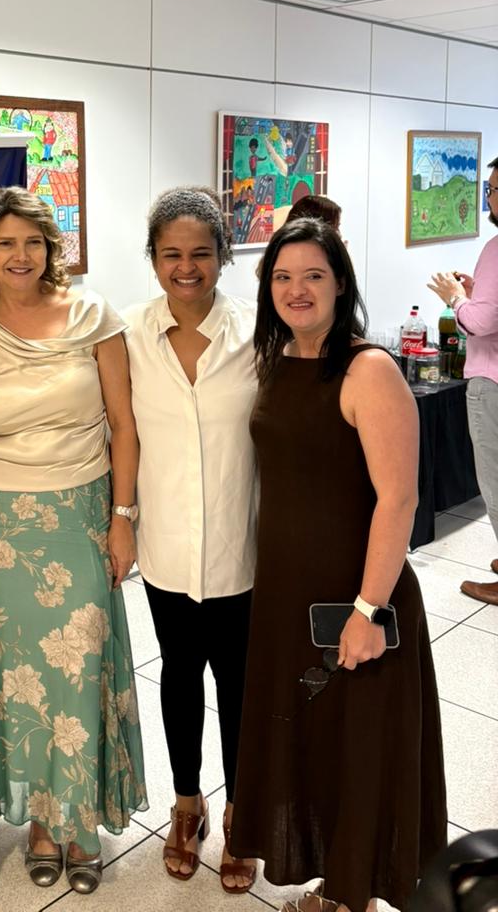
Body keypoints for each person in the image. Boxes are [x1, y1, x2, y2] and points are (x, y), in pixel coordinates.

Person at [231, 217, 446, 912]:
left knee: (357, 752)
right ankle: (333, 882)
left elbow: (399, 498)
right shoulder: (276, 359)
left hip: (355, 597)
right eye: (282, 276)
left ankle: (351, 894)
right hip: (288, 593)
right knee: (316, 746)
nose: (297, 289)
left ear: (340, 284)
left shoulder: (368, 369)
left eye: (313, 275)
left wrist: (367, 610)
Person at [0, 186, 147, 896]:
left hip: (82, 515)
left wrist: (124, 516)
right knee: (15, 682)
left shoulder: (95, 316)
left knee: (77, 672)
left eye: (31, 241)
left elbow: (124, 424)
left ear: (50, 247)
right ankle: (38, 820)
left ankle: (80, 824)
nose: (20, 255)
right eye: (4, 243)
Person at [123, 187, 258, 892]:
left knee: (237, 685)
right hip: (168, 546)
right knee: (179, 675)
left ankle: (240, 812)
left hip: (242, 544)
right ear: (153, 260)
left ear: (221, 257)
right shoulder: (128, 336)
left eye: (200, 254)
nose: (186, 268)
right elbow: (117, 433)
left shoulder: (257, 334)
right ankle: (186, 802)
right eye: (172, 254)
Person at [428, 152, 498, 605]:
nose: (487, 198)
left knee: (495, 480)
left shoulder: (496, 248)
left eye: (491, 190)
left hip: (492, 382)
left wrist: (457, 299)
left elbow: (479, 324)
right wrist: (476, 293)